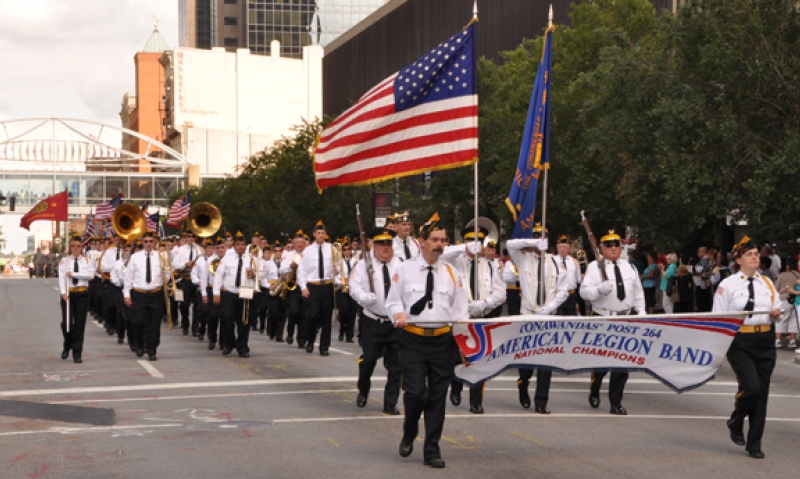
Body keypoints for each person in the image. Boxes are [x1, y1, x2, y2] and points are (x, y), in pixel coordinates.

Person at [386, 213, 469, 469]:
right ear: (421, 241)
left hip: (442, 342)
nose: (440, 245)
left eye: (443, 240)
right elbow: (393, 301)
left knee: (436, 397)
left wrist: (464, 345)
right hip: (413, 340)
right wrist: (397, 313)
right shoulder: (404, 270)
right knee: (415, 393)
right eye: (434, 239)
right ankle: (410, 430)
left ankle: (432, 449)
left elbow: (461, 313)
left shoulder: (453, 273)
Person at [714, 237, 781, 459]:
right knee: (751, 387)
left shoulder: (767, 283)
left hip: (765, 340)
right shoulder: (728, 285)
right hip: (740, 341)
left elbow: (777, 306)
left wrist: (775, 313)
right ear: (739, 259)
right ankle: (736, 420)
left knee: (762, 393)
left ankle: (754, 443)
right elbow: (719, 317)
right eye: (750, 254)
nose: (754, 257)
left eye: (756, 254)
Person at [579, 229, 646, 415]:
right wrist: (600, 289)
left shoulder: (630, 267)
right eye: (609, 245)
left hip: (625, 318)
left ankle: (615, 402)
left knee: (622, 363)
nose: (614, 248)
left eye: (617, 244)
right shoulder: (594, 267)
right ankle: (595, 385)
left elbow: (638, 292)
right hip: (602, 317)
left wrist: (641, 311)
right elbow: (583, 293)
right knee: (601, 361)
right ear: (601, 248)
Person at [507, 223, 569, 414]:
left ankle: (541, 401)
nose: (539, 240)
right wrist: (531, 241)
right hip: (527, 315)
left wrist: (551, 306)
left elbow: (564, 289)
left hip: (547, 316)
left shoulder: (557, 262)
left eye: (542, 237)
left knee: (546, 360)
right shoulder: (522, 258)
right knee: (526, 359)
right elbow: (510, 244)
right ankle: (523, 383)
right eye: (535, 237)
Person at [443, 226, 506, 414]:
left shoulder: (492, 266)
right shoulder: (455, 261)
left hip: (481, 317)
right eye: (471, 241)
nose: (475, 246)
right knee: (456, 357)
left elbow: (501, 294)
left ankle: (476, 401)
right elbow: (441, 254)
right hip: (460, 318)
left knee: (480, 359)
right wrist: (465, 248)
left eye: (478, 242)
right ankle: (455, 386)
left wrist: (485, 304)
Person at [350, 228, 403, 415]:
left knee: (396, 365)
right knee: (369, 360)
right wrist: (365, 298)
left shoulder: (401, 265)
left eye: (389, 243)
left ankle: (390, 403)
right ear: (373, 245)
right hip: (373, 321)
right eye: (381, 244)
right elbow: (353, 288)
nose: (386, 247)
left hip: (395, 323)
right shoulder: (363, 265)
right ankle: (363, 389)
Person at [123, 231, 167, 361]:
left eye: (151, 241)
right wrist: (127, 295)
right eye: (146, 241)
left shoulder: (161, 256)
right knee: (138, 322)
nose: (148, 244)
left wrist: (167, 278)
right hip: (139, 294)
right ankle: (139, 344)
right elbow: (128, 278)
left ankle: (152, 349)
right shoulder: (135, 257)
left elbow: (167, 272)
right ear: (142, 243)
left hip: (155, 294)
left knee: (154, 324)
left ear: (155, 242)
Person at [213, 232, 255, 358]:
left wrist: (253, 275)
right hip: (229, 293)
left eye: (242, 244)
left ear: (245, 245)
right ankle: (229, 344)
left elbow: (261, 275)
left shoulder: (252, 259)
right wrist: (216, 293)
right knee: (227, 318)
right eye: (238, 244)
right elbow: (219, 275)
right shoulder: (227, 258)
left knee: (244, 322)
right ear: (234, 246)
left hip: (245, 293)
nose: (240, 247)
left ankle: (242, 347)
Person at [298, 221, 336, 356]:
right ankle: (310, 340)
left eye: (322, 233)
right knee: (312, 316)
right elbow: (301, 271)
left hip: (327, 285)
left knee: (327, 318)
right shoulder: (307, 251)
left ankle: (324, 347)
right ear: (314, 234)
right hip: (313, 286)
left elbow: (336, 267)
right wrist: (303, 287)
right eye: (318, 233)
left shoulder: (332, 249)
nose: (321, 236)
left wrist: (336, 274)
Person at [58, 235, 97, 363]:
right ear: (70, 247)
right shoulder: (65, 261)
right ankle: (67, 344)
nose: (76, 248)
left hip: (81, 294)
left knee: (79, 325)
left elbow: (90, 275)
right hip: (68, 295)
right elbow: (62, 278)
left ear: (82, 247)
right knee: (67, 324)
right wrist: (63, 293)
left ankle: (77, 353)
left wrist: (74, 274)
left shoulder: (88, 261)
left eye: (78, 246)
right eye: (73, 246)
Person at [172, 231, 202, 336]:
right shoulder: (180, 250)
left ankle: (195, 328)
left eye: (193, 236)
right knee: (184, 304)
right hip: (185, 279)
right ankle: (185, 324)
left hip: (197, 280)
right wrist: (185, 264)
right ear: (185, 237)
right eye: (189, 236)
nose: (191, 238)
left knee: (197, 305)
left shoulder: (199, 249)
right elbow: (175, 265)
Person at [200, 238, 225, 350]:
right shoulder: (211, 261)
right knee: (213, 316)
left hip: (225, 291)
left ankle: (223, 341)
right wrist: (204, 293)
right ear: (215, 249)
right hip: (211, 290)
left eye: (222, 247)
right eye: (218, 248)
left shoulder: (230, 260)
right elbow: (204, 278)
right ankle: (212, 338)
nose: (220, 250)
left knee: (225, 317)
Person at [110, 242, 134, 347]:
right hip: (120, 289)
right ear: (122, 252)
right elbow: (113, 276)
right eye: (126, 250)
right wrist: (119, 283)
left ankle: (131, 337)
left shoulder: (134, 262)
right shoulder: (117, 263)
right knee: (121, 312)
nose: (128, 252)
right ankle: (120, 335)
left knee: (130, 315)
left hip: (131, 290)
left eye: (130, 251)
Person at [335, 240, 358, 343]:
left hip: (352, 289)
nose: (347, 251)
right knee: (344, 311)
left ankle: (349, 335)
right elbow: (335, 276)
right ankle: (342, 329)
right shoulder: (339, 262)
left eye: (349, 249)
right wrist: (341, 283)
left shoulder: (356, 261)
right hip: (342, 288)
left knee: (352, 312)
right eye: (345, 249)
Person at [192, 238, 215, 342]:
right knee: (203, 311)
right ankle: (201, 329)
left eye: (211, 248)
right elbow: (193, 274)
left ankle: (211, 336)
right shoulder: (200, 260)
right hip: (202, 287)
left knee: (212, 314)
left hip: (213, 288)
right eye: (208, 248)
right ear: (205, 249)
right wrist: (198, 281)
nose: (209, 250)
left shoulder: (217, 260)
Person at [774, 257, 799, 348]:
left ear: (787, 266)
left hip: (784, 299)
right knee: (793, 320)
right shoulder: (798, 275)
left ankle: (778, 340)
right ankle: (792, 341)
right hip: (796, 300)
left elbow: (776, 288)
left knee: (780, 319)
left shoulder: (783, 275)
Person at [265, 240, 287, 342]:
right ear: (273, 252)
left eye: (280, 251)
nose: (278, 253)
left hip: (282, 288)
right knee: (274, 312)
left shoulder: (286, 263)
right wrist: (269, 285)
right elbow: (263, 277)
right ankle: (271, 329)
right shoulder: (268, 263)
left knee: (282, 312)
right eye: (276, 251)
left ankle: (279, 334)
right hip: (273, 288)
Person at [555, 235, 581, 316]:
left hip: (571, 296)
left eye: (565, 247)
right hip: (557, 295)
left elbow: (578, 279)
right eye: (560, 247)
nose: (562, 249)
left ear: (569, 249)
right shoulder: (552, 261)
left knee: (571, 319)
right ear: (557, 248)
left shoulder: (574, 261)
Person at [693, 247, 712, 312]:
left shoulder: (704, 260)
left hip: (702, 285)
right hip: (700, 284)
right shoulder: (702, 260)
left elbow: (697, 271)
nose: (698, 253)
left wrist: (694, 271)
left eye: (699, 251)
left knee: (701, 303)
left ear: (704, 252)